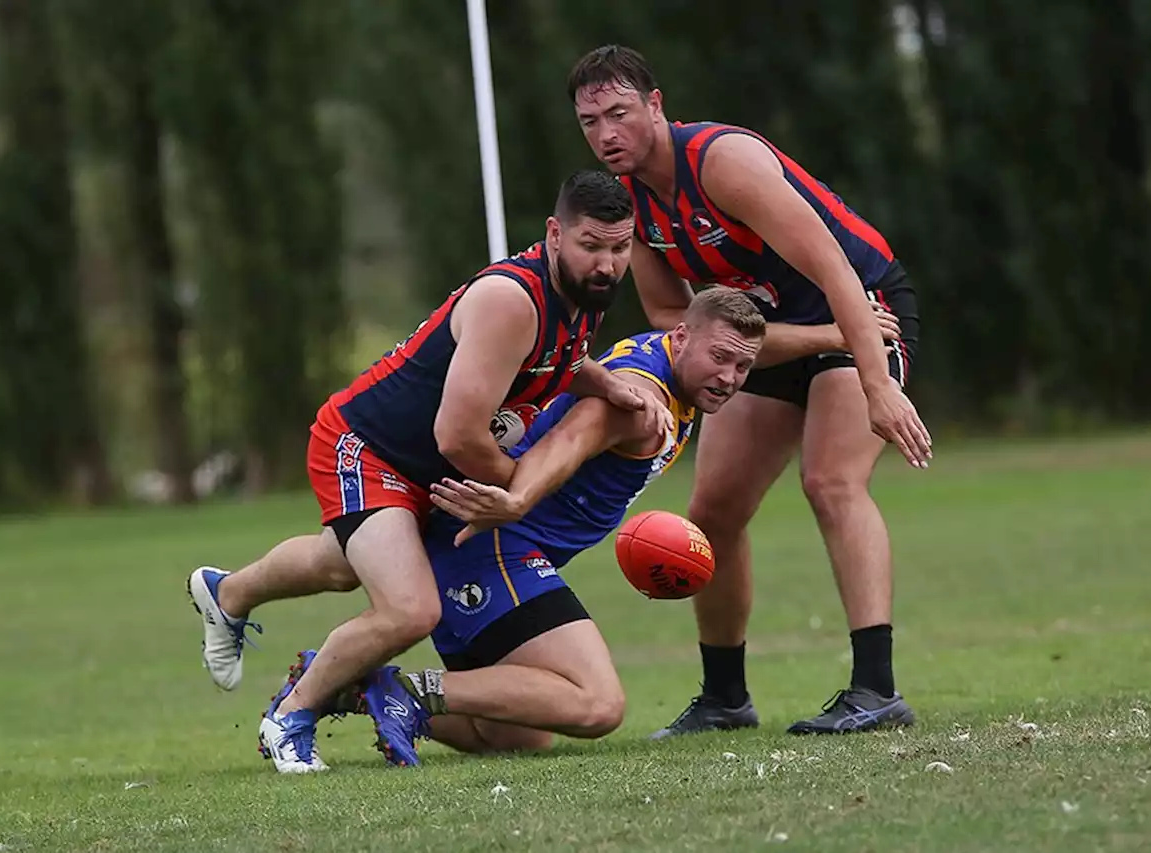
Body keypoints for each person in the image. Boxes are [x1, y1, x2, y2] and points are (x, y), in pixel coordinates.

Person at [187, 170, 668, 774]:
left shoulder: (582, 296)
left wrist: (608, 382)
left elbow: (561, 359)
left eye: (619, 248)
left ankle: (227, 591)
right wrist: (519, 493)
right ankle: (291, 716)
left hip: (423, 470)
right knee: (410, 609)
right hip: (369, 447)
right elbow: (457, 435)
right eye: (591, 246)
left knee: (338, 568)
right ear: (553, 234)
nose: (606, 264)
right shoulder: (512, 301)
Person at [564, 45, 933, 737]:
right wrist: (807, 339)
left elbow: (833, 266)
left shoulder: (722, 162)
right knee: (713, 509)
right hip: (781, 332)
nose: (607, 133)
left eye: (619, 113)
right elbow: (674, 319)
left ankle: (877, 690)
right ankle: (725, 699)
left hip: (861, 308)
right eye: (590, 122)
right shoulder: (632, 204)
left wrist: (874, 379)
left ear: (656, 105)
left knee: (831, 481)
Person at [263, 287, 767, 764]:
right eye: (719, 357)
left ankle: (351, 682)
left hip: (499, 544)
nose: (729, 376)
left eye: (743, 365)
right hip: (495, 545)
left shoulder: (671, 372)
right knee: (596, 704)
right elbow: (573, 437)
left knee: (514, 734)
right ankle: (404, 690)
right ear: (680, 336)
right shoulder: (640, 400)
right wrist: (518, 499)